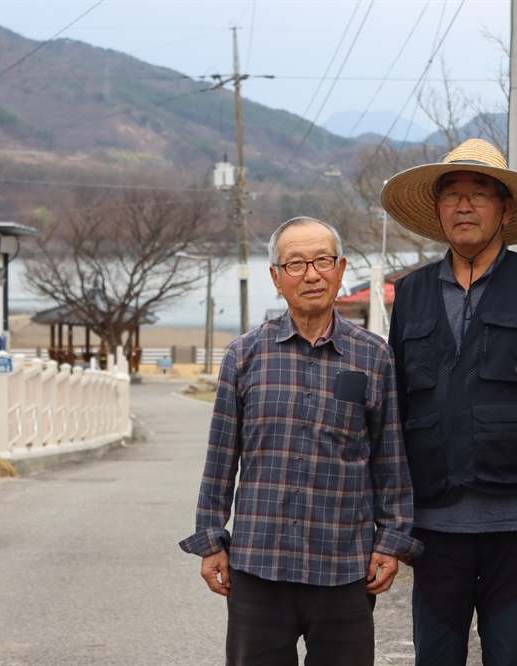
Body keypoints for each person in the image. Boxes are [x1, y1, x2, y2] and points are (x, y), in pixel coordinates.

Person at [179, 216, 422, 666]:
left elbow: (390, 460)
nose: (311, 274)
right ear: (276, 277)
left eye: (322, 260)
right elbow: (220, 459)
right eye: (295, 264)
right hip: (257, 565)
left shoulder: (374, 356)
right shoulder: (244, 355)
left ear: (341, 268)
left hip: (344, 566)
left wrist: (391, 541)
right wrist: (211, 540)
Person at [383, 138, 517, 665]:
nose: (464, 205)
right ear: (437, 210)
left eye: (480, 193)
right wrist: (392, 515)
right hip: (434, 526)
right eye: (452, 195)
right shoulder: (410, 294)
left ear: (506, 208)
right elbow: (395, 409)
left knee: (513, 657)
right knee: (436, 657)